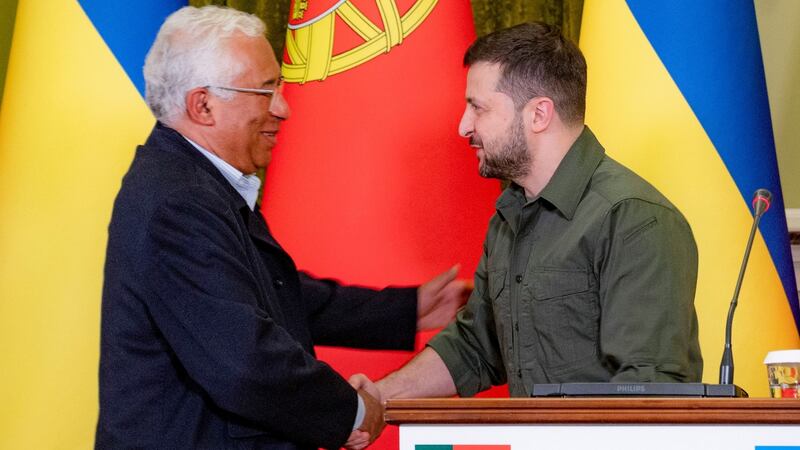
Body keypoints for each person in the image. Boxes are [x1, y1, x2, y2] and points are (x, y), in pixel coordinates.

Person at [95, 6, 470, 449]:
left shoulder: (190, 181)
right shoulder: (179, 200)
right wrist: (353, 411)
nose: (284, 108)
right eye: (265, 90)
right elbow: (244, 363)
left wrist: (405, 310)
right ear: (203, 105)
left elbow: (271, 292)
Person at [351, 21, 703, 410]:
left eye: (478, 108)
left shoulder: (633, 219)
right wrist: (378, 397)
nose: (463, 126)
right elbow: (475, 347)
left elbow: (649, 390)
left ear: (538, 115)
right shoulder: (508, 218)